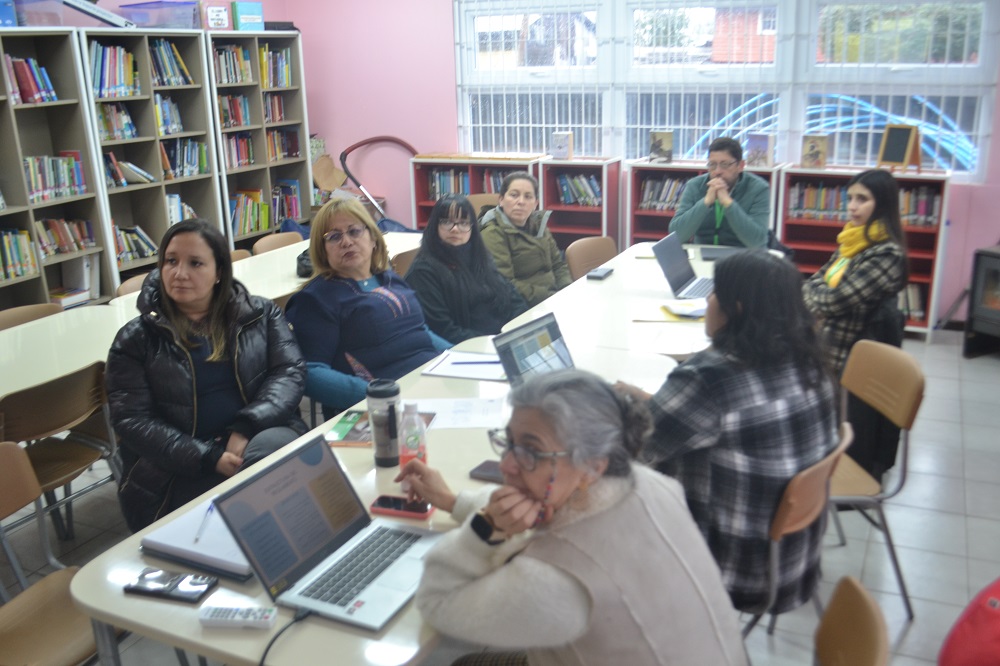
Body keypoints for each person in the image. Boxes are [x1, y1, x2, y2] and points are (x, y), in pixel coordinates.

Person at [397, 370, 749, 666]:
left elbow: (436, 602)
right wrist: (452, 501)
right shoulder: (652, 484)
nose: (506, 465)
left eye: (531, 451)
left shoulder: (555, 583)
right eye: (509, 441)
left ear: (592, 465)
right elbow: (551, 509)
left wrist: (483, 530)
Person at [617, 251, 838, 616]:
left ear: (734, 308)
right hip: (794, 560)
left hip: (732, 571)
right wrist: (652, 400)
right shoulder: (809, 359)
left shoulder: (709, 378)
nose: (706, 301)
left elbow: (634, 449)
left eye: (714, 292)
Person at [106, 219, 307, 532]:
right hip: (177, 467)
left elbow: (289, 372)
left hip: (254, 437)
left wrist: (245, 427)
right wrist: (209, 457)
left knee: (272, 457)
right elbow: (132, 421)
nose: (179, 273)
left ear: (219, 273)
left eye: (195, 263)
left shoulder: (261, 314)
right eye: (170, 261)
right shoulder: (135, 339)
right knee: (261, 504)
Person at [284, 198, 450, 417]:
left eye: (354, 231)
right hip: (382, 409)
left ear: (373, 238)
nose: (346, 242)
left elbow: (421, 332)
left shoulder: (390, 279)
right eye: (334, 237)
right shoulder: (316, 299)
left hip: (433, 388)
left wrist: (457, 356)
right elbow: (311, 372)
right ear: (322, 251)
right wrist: (379, 396)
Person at [802, 168, 908, 477]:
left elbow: (834, 300)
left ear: (883, 204)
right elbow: (815, 283)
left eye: (862, 199)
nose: (852, 206)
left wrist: (818, 294)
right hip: (826, 347)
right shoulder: (852, 241)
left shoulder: (887, 254)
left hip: (848, 360)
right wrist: (819, 293)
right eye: (850, 198)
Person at [405, 194, 527, 343]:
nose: (455, 229)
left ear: (472, 227)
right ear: (434, 225)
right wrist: (495, 342)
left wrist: (523, 327)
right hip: (472, 347)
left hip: (503, 337)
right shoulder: (423, 272)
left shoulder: (478, 255)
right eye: (446, 222)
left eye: (463, 222)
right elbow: (444, 330)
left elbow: (511, 296)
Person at [480, 172, 572, 307]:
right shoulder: (492, 232)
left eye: (528, 196)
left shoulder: (539, 225)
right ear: (501, 200)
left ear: (535, 203)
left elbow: (558, 265)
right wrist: (551, 297)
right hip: (521, 305)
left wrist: (567, 291)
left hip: (553, 299)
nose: (521, 202)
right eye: (514, 195)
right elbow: (505, 283)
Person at [669, 136, 770, 248]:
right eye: (712, 165)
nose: (717, 171)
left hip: (742, 257)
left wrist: (728, 203)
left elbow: (757, 241)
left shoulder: (758, 188)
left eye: (725, 165)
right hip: (702, 253)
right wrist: (705, 202)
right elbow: (676, 236)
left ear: (740, 166)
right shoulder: (695, 186)